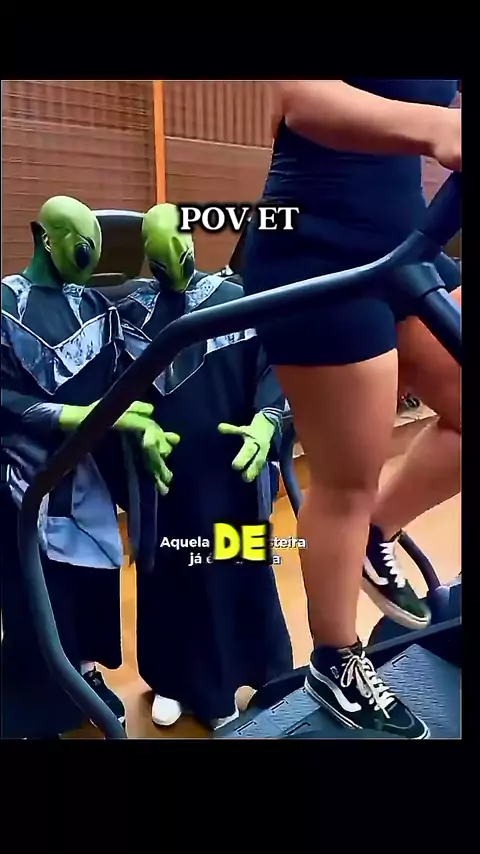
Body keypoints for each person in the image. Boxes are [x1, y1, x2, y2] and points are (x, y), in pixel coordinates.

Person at [241, 79, 461, 739]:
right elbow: (299, 98)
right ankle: (335, 660)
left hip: (407, 245)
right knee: (347, 479)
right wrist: (438, 128)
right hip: (316, 246)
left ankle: (375, 531)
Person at [1, 196, 173, 738]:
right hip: (24, 475)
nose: (90, 258)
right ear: (44, 237)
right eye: (81, 247)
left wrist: (141, 429)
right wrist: (64, 414)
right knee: (35, 594)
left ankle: (85, 672)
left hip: (90, 477)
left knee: (92, 582)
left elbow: (126, 381)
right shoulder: (5, 304)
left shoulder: (99, 307)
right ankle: (35, 700)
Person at [117, 203, 293, 730]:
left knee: (237, 571)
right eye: (160, 254)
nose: (174, 259)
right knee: (172, 579)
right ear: (146, 257)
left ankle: (251, 677)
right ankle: (174, 681)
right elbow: (111, 391)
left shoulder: (235, 301)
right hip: (165, 481)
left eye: (180, 244)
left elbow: (274, 367)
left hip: (229, 475)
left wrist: (267, 419)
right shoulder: (130, 314)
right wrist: (134, 433)